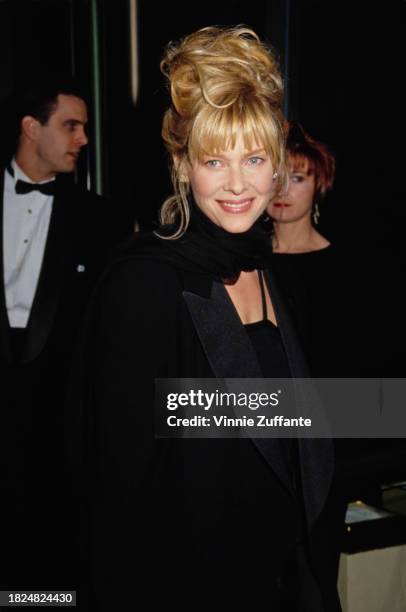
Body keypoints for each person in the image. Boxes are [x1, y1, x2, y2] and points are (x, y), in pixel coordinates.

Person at [70, 28, 341, 611]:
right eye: (214, 160)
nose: (238, 184)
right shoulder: (143, 284)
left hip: (285, 578)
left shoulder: (271, 272)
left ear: (276, 164)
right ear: (182, 165)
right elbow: (120, 485)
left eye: (254, 158)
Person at [0, 78, 131, 590]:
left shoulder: (104, 220)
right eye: (71, 126)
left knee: (52, 551)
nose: (83, 139)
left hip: (59, 416)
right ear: (32, 128)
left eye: (83, 127)